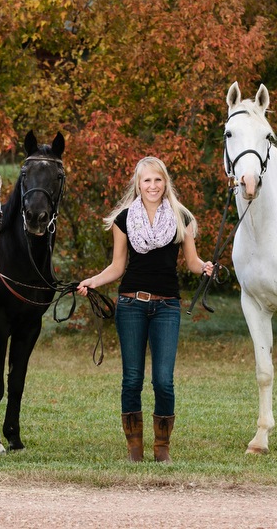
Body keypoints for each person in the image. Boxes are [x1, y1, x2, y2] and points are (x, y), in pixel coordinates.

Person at [77, 156, 213, 463]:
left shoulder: (182, 218)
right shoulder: (124, 220)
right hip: (131, 305)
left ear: (166, 183)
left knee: (163, 379)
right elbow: (117, 266)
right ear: (138, 185)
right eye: (147, 180)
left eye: (158, 180)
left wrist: (204, 267)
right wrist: (93, 281)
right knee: (132, 378)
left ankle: (162, 449)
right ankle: (134, 449)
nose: (152, 186)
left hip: (167, 307)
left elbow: (191, 263)